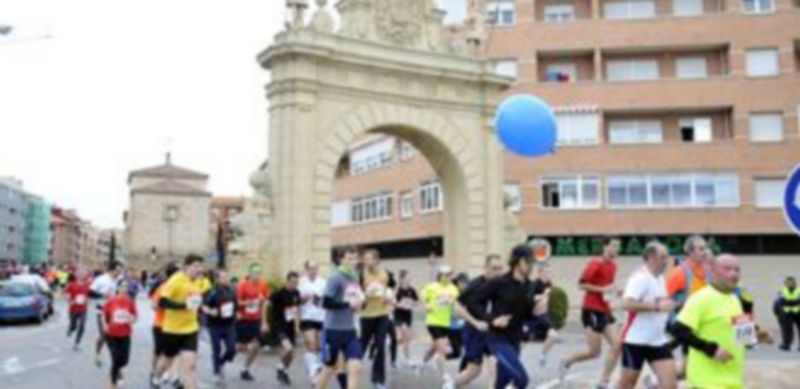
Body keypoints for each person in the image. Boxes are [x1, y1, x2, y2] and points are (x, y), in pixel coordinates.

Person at [672, 254, 765, 389]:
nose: (733, 274)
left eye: (737, 270)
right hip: (706, 381)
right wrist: (711, 349)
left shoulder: (735, 299)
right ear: (713, 271)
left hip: (733, 380)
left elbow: (743, 337)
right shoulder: (701, 298)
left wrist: (756, 335)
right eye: (727, 269)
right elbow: (678, 330)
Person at [467, 245, 537, 389]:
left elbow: (527, 314)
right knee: (521, 380)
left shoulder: (530, 286)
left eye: (532, 262)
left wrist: (536, 310)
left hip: (515, 340)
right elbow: (473, 302)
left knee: (501, 383)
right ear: (518, 261)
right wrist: (492, 319)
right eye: (528, 262)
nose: (531, 266)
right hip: (497, 339)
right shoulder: (500, 282)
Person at [559, 237, 622, 389]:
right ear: (605, 247)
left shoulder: (613, 266)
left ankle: (603, 382)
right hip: (592, 310)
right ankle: (567, 360)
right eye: (613, 246)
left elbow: (607, 288)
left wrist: (615, 292)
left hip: (605, 310)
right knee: (594, 352)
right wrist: (603, 290)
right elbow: (581, 285)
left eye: (618, 247)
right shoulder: (595, 263)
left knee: (618, 345)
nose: (616, 250)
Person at [616, 242, 677, 389]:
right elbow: (626, 304)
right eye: (663, 257)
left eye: (667, 257)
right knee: (627, 385)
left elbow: (659, 303)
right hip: (636, 340)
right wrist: (656, 306)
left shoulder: (660, 279)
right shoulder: (640, 278)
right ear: (651, 257)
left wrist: (668, 304)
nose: (666, 261)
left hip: (657, 340)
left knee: (670, 385)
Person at [152, 254, 209, 389]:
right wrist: (184, 306)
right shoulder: (176, 280)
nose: (199, 269)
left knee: (190, 366)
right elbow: (163, 301)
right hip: (172, 329)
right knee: (167, 359)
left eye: (201, 266)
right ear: (186, 266)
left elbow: (205, 293)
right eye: (196, 266)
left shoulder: (200, 280)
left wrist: (204, 305)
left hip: (191, 329)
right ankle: (156, 376)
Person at [315, 246, 365, 389]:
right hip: (333, 330)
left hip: (350, 330)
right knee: (330, 368)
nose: (352, 262)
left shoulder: (355, 275)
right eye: (349, 258)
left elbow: (355, 298)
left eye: (355, 258)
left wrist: (360, 303)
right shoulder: (335, 277)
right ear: (341, 259)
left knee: (355, 366)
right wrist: (348, 304)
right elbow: (326, 302)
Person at [453, 254, 504, 389]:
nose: (498, 272)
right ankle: (450, 385)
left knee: (495, 366)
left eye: (500, 269)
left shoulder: (502, 285)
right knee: (474, 371)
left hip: (492, 333)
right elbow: (457, 307)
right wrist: (475, 322)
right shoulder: (474, 286)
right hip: (474, 332)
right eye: (494, 268)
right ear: (485, 268)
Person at [666, 235, 713, 377]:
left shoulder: (709, 271)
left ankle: (656, 382)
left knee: (687, 372)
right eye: (701, 249)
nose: (705, 252)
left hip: (700, 325)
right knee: (690, 369)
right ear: (690, 252)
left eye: (706, 248)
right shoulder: (679, 273)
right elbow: (663, 298)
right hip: (682, 326)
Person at [358, 249, 393, 389]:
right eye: (365, 259)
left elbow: (390, 290)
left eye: (369, 259)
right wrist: (365, 294)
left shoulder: (385, 274)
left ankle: (378, 379)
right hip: (366, 316)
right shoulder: (361, 274)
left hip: (382, 314)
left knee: (381, 345)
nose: (366, 262)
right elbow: (355, 293)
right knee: (362, 346)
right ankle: (350, 370)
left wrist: (388, 297)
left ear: (377, 260)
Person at [422, 264, 460, 389]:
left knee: (436, 346)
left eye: (449, 275)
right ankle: (445, 378)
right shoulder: (432, 287)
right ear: (440, 275)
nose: (447, 277)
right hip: (433, 321)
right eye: (444, 275)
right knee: (442, 349)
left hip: (445, 322)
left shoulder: (453, 289)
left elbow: (454, 303)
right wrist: (427, 305)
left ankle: (423, 360)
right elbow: (423, 296)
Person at [235, 263, 270, 381]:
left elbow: (264, 304)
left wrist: (264, 321)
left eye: (259, 273)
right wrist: (248, 303)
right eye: (255, 273)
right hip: (243, 319)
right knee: (239, 347)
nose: (257, 276)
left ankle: (245, 369)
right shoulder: (242, 285)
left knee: (256, 345)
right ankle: (227, 354)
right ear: (249, 273)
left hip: (256, 319)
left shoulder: (263, 285)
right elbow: (238, 303)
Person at [202, 269, 237, 384]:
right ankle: (216, 372)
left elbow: (234, 305)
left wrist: (237, 313)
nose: (226, 279)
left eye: (227, 276)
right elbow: (203, 306)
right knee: (216, 349)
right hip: (215, 325)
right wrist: (210, 311)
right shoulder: (211, 292)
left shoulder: (232, 290)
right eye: (223, 277)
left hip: (229, 324)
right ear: (217, 279)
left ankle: (221, 362)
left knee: (231, 349)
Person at [149, 262, 181, 388]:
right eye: (179, 272)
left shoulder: (181, 287)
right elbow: (153, 305)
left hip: (175, 326)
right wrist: (165, 305)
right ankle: (154, 373)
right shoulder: (163, 288)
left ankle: (174, 376)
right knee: (159, 352)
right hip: (161, 325)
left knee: (174, 353)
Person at [102, 278, 137, 389]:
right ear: (118, 288)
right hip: (112, 334)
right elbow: (103, 314)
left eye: (126, 286)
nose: (124, 288)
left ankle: (115, 370)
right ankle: (112, 384)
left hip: (125, 334)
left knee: (124, 360)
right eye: (122, 286)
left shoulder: (129, 301)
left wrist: (133, 319)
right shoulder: (111, 300)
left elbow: (135, 315)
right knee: (116, 358)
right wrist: (104, 325)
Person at [270, 271, 302, 386]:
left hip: (290, 326)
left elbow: (296, 310)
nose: (295, 285)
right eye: (293, 282)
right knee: (288, 349)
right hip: (279, 325)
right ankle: (279, 367)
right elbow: (265, 304)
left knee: (291, 354)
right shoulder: (278, 293)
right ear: (287, 281)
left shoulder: (296, 293)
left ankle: (284, 371)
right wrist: (264, 321)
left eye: (296, 283)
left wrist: (297, 326)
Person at [90, 261, 124, 367]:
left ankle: (115, 359)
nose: (119, 273)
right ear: (111, 270)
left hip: (113, 312)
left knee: (113, 335)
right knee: (104, 335)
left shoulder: (116, 281)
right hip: (101, 311)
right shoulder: (101, 279)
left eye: (120, 271)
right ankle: (98, 354)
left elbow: (116, 294)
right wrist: (102, 295)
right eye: (117, 271)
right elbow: (90, 293)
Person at [299, 260, 327, 379]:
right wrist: (304, 299)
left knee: (320, 346)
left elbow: (327, 300)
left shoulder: (324, 282)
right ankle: (313, 372)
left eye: (315, 268)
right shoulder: (301, 283)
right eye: (310, 268)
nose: (313, 271)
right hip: (307, 317)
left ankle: (313, 364)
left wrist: (319, 299)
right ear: (306, 270)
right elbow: (296, 301)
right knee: (312, 343)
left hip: (321, 317)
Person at [528, 262, 560, 367]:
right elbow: (530, 298)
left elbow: (548, 294)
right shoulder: (534, 284)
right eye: (547, 272)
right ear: (540, 273)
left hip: (543, 316)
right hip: (532, 317)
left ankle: (543, 354)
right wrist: (542, 296)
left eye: (550, 272)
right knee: (521, 343)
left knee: (553, 335)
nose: (549, 274)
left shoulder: (548, 283)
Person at [393, 269, 419, 368]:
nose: (409, 278)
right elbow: (393, 302)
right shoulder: (397, 290)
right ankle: (406, 358)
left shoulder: (412, 290)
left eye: (410, 277)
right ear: (402, 279)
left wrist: (412, 304)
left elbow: (417, 302)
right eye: (407, 277)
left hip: (408, 315)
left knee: (404, 339)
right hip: (398, 315)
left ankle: (403, 357)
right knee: (405, 334)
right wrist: (401, 305)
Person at [65, 269, 91, 351]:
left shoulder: (87, 285)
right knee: (74, 326)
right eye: (80, 274)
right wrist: (70, 300)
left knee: (82, 325)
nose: (81, 275)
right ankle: (70, 328)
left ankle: (77, 343)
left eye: (83, 274)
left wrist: (87, 300)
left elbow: (88, 295)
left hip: (83, 309)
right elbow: (67, 295)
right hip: (73, 309)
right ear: (76, 275)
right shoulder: (72, 285)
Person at [778, 276, 800, 351]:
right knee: (787, 329)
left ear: (795, 283)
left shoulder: (799, 291)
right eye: (788, 283)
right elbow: (779, 303)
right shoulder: (783, 291)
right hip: (787, 313)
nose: (790, 284)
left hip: (798, 312)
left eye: (791, 282)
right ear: (785, 284)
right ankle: (786, 344)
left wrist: (790, 302)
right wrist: (780, 313)